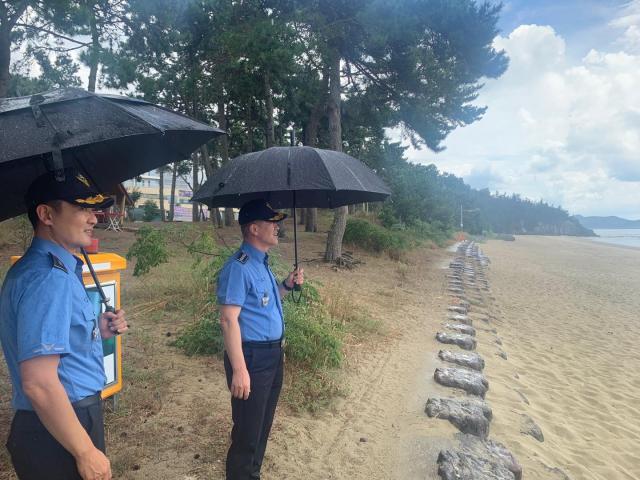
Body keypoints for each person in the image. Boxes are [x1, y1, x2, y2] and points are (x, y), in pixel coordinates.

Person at [0, 168, 128, 480]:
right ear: (46, 214)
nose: (93, 218)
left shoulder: (53, 270)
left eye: (92, 209)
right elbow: (39, 382)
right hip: (58, 426)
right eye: (81, 208)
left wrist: (98, 327)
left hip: (62, 419)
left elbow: (53, 341)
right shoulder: (47, 278)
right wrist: (84, 451)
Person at [217, 199, 304, 480]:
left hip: (272, 356)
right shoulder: (239, 267)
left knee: (262, 426)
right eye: (272, 222)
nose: (277, 227)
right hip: (251, 359)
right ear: (254, 228)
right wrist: (240, 370)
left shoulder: (261, 264)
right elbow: (228, 319)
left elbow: (264, 303)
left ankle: (252, 474)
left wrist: (287, 285)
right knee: (247, 432)